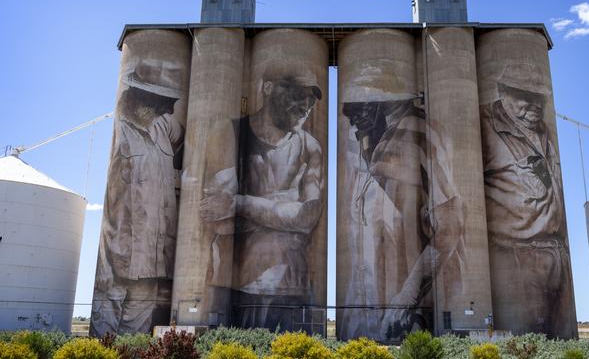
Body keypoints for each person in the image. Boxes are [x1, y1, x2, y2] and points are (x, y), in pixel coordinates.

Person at [200, 72, 324, 332]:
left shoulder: (310, 147)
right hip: (237, 285)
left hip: (294, 286)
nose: (306, 107)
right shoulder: (230, 133)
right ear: (268, 88)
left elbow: (308, 216)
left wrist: (240, 203)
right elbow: (220, 222)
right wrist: (285, 204)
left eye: (311, 102)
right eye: (298, 95)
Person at [340, 96, 463, 342]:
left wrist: (406, 299)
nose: (356, 120)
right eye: (352, 117)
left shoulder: (421, 131)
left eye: (363, 108)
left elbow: (450, 225)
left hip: (410, 314)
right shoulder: (367, 153)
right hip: (367, 318)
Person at [90, 60, 185, 336]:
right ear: (143, 100)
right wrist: (106, 261)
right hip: (120, 256)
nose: (167, 109)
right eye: (162, 103)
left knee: (137, 331)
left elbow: (187, 132)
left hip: (153, 256)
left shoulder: (162, 128)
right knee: (106, 325)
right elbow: (114, 206)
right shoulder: (123, 136)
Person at [481, 62, 575, 338]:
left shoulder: (544, 131)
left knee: (559, 341)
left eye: (539, 97)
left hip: (558, 254)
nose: (535, 104)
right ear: (503, 92)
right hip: (518, 258)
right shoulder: (484, 125)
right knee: (525, 339)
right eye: (525, 96)